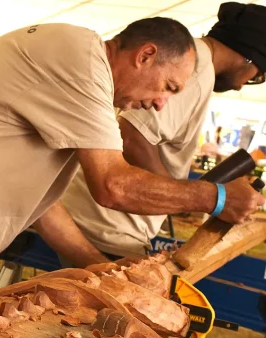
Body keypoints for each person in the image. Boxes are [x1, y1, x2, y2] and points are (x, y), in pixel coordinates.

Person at [0, 17, 264, 278]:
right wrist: (214, 197)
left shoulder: (83, 71)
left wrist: (95, 264)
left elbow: (41, 203)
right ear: (145, 55)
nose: (160, 104)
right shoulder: (81, 61)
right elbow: (113, 186)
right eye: (168, 87)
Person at [61, 2, 266, 261]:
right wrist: (184, 195)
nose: (241, 87)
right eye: (257, 76)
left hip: (88, 220)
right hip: (106, 230)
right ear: (248, 57)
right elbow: (132, 136)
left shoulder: (189, 59)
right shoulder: (197, 70)